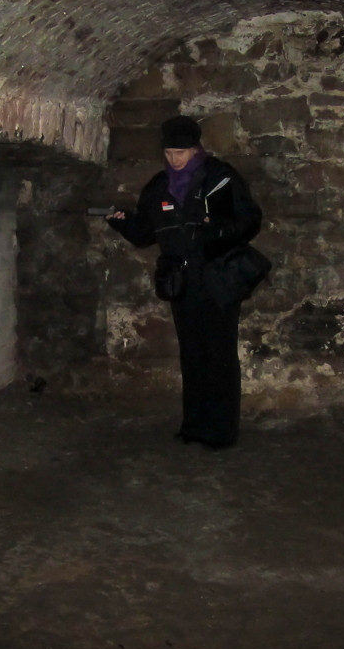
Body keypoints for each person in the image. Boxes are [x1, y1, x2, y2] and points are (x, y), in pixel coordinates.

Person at [107, 115, 262, 448]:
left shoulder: (220, 178)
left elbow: (249, 221)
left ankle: (220, 431)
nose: (174, 159)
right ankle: (194, 426)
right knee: (192, 354)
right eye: (169, 153)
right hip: (183, 281)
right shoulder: (157, 188)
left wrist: (216, 228)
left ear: (196, 150)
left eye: (181, 152)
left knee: (218, 354)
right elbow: (145, 234)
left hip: (217, 278)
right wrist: (122, 224)